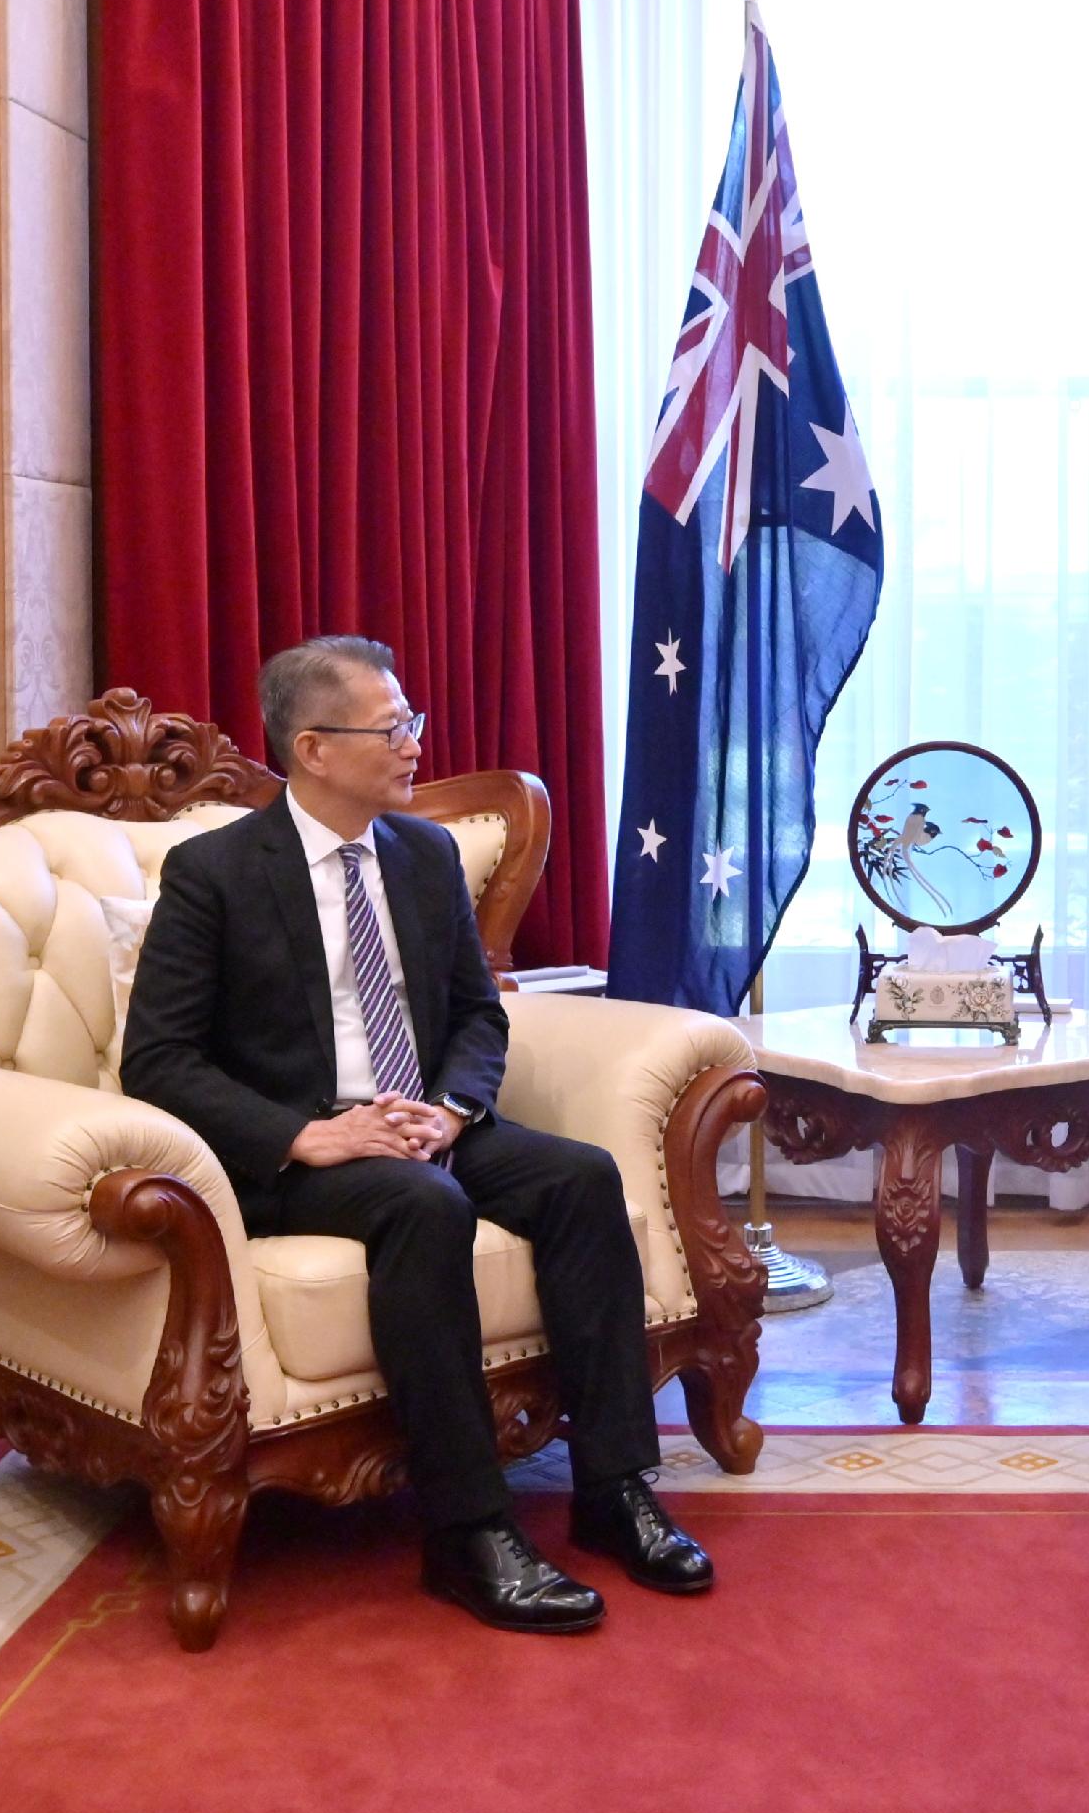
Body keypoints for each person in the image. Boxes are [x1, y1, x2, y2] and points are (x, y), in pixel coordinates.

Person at [118, 635, 709, 1633]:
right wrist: (307, 1137)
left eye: (411, 723)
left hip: (424, 1120)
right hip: (309, 1153)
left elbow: (480, 1015)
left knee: (577, 1178)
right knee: (420, 1204)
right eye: (391, 728)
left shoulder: (426, 854)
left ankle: (613, 1490)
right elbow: (160, 1060)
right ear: (313, 748)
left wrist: (451, 1108)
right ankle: (468, 1530)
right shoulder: (215, 873)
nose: (411, 745)